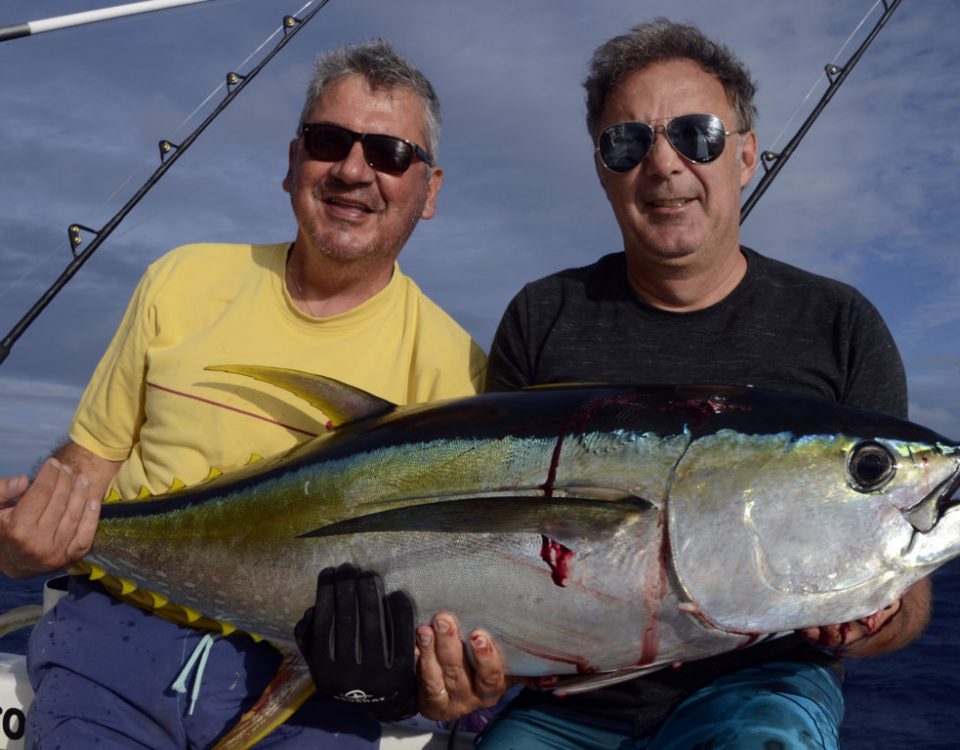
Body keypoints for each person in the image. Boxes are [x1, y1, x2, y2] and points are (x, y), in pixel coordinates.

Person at [427, 18, 932, 750]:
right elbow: (487, 539)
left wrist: (874, 621)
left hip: (761, 688)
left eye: (697, 135)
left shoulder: (841, 324)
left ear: (746, 155)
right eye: (627, 143)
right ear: (603, 171)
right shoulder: (542, 316)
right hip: (566, 697)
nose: (664, 164)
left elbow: (908, 593)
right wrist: (462, 668)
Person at [0, 39, 491, 748]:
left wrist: (444, 687)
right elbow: (85, 474)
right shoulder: (180, 280)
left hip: (318, 694)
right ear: (294, 163)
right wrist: (21, 546)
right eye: (330, 142)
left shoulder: (458, 373)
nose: (355, 170)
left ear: (430, 189)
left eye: (389, 153)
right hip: (113, 652)